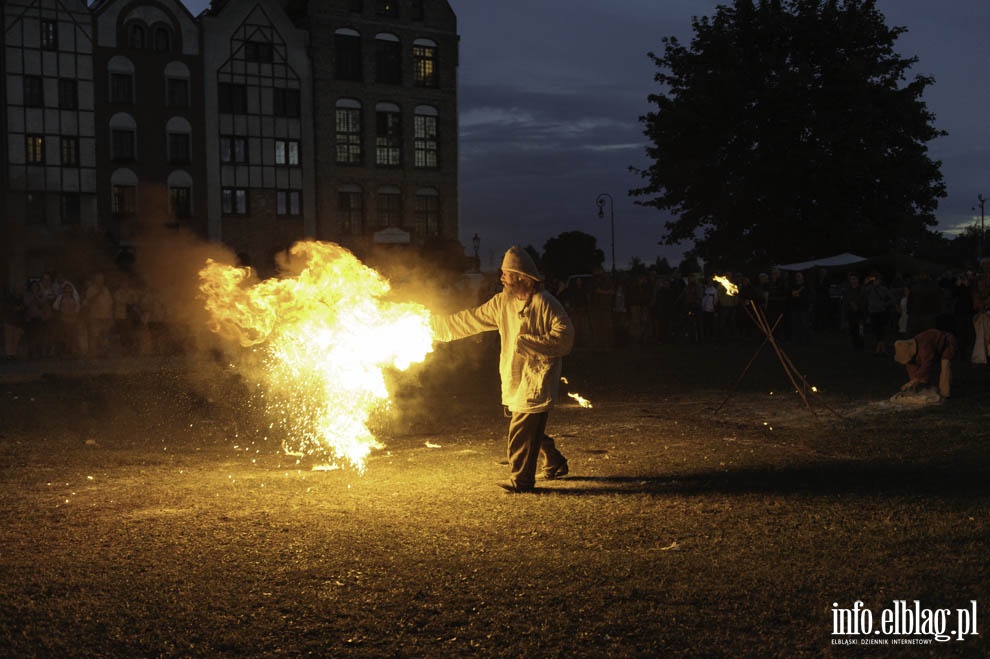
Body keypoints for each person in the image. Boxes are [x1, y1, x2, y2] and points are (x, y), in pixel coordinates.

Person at [431, 246, 575, 493]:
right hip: (514, 373)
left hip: (538, 376)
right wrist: (434, 327)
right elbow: (471, 319)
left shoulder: (546, 303)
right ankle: (554, 461)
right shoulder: (502, 302)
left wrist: (528, 343)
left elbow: (565, 337)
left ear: (520, 276)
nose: (501, 279)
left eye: (505, 274)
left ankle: (521, 480)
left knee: (522, 427)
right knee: (529, 424)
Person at [893, 328, 956, 399]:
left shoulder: (925, 346)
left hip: (946, 344)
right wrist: (913, 382)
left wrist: (916, 379)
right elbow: (911, 368)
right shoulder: (910, 351)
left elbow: (927, 365)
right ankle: (926, 389)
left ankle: (944, 394)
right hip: (932, 350)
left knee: (945, 366)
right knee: (919, 378)